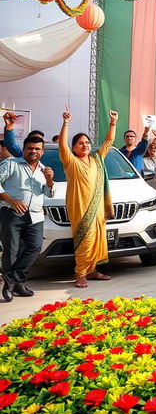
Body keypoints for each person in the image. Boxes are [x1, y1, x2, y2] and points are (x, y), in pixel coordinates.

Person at [58, 105, 117, 288]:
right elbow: (62, 145)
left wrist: (113, 122)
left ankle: (91, 271)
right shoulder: (71, 162)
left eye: (87, 142)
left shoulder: (96, 159)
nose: (85, 145)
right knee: (86, 240)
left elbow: (108, 142)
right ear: (74, 148)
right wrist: (66, 123)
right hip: (81, 208)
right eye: (80, 143)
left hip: (97, 208)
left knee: (97, 239)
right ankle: (80, 274)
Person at [0, 135, 55, 301]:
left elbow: (49, 194)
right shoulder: (11, 164)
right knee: (11, 252)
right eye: (30, 148)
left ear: (42, 152)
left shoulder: (44, 170)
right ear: (24, 149)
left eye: (37, 149)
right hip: (11, 213)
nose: (34, 151)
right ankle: (17, 285)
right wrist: (11, 199)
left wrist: (50, 181)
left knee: (35, 247)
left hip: (35, 215)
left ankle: (11, 279)